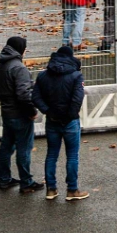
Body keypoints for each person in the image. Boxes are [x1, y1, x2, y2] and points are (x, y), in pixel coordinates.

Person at [31, 44, 87, 202]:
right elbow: (77, 98)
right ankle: (72, 190)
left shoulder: (43, 76)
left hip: (52, 120)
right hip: (70, 122)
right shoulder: (76, 76)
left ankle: (51, 189)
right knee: (72, 156)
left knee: (51, 155)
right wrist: (70, 115)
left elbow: (35, 97)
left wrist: (47, 111)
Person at [0, 36, 40, 194]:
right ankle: (26, 182)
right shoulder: (19, 68)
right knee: (24, 149)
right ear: (21, 49)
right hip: (20, 115)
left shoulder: (0, 66)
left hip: (6, 113)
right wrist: (32, 112)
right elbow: (23, 95)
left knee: (6, 146)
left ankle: (4, 179)